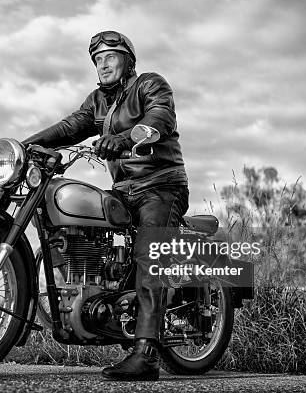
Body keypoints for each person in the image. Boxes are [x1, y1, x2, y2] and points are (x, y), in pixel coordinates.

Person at [22, 30, 189, 381]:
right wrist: (26, 145)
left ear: (127, 59)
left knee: (150, 256)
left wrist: (128, 137)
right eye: (97, 59)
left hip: (160, 186)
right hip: (124, 190)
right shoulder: (98, 100)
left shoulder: (149, 85)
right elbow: (72, 126)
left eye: (110, 56)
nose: (103, 64)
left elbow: (161, 118)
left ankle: (146, 354)